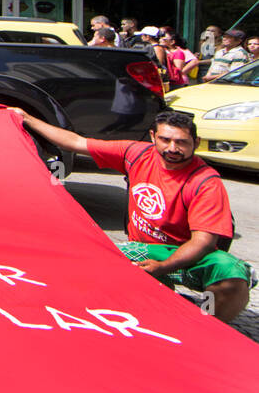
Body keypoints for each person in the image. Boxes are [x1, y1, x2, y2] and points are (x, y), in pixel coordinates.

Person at [13, 108, 252, 323]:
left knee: (232, 276)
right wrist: (27, 118)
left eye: (182, 142)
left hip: (186, 254)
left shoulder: (206, 182)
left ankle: (211, 330)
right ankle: (151, 305)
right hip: (143, 248)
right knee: (84, 261)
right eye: (165, 140)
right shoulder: (136, 154)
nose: (172, 148)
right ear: (152, 137)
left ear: (196, 142)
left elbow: (203, 242)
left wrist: (162, 266)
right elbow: (76, 142)